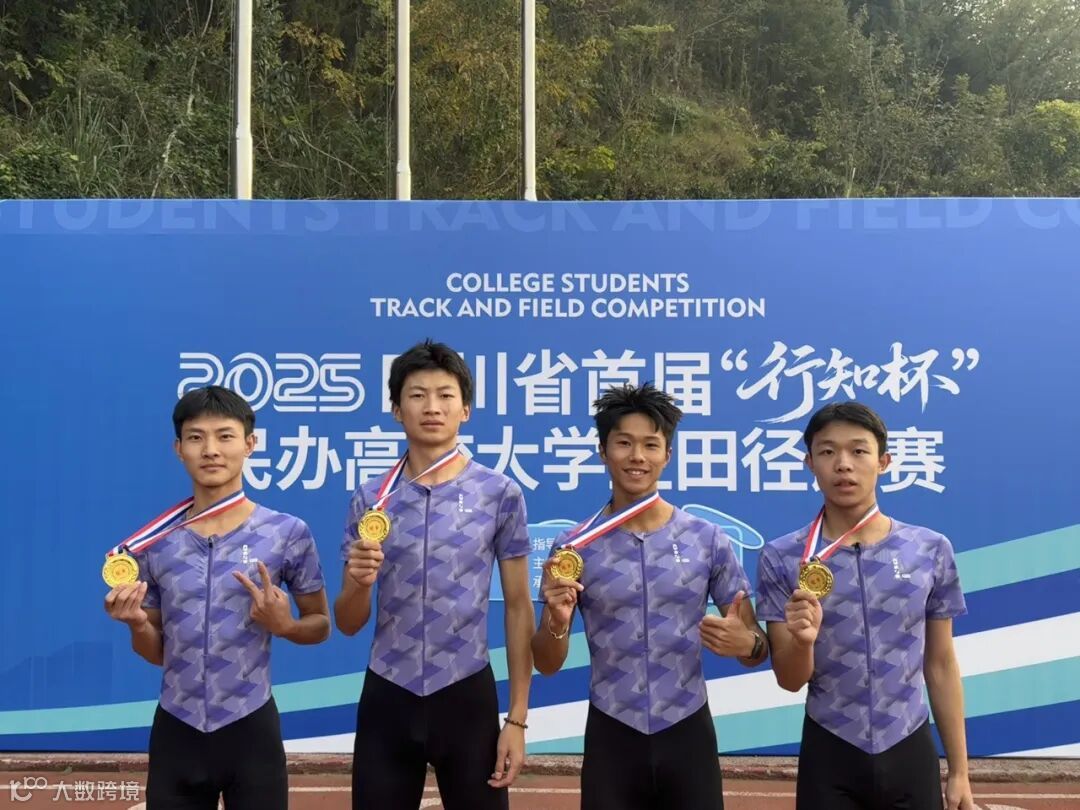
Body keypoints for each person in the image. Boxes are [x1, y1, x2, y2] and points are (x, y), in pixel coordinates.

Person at [531, 383, 769, 810]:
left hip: (687, 729)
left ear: (667, 455)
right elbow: (547, 664)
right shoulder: (573, 548)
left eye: (650, 445)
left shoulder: (707, 539)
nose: (637, 456)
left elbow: (757, 647)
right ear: (603, 451)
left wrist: (747, 643)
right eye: (624, 443)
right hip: (611, 732)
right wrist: (557, 620)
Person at [103, 385, 330, 810]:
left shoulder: (287, 533)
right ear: (179, 449)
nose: (210, 450)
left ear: (250, 444)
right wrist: (136, 623)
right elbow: (156, 653)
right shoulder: (156, 544)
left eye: (225, 436)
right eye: (196, 437)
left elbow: (320, 625)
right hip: (178, 728)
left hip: (251, 727)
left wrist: (285, 626)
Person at [335, 339, 535, 810]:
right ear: (396, 410)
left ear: (465, 410)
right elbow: (347, 621)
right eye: (417, 395)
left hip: (466, 691)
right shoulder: (372, 499)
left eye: (445, 395)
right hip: (389, 692)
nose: (432, 407)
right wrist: (360, 584)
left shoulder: (499, 494)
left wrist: (517, 718)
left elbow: (518, 606)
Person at [756, 401, 974, 810]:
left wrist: (960, 771)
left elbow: (941, 663)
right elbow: (789, 679)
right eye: (827, 451)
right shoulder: (783, 557)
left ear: (883, 462)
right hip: (830, 749)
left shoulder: (929, 549)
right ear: (809, 463)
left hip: (909, 745)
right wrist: (803, 642)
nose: (843, 464)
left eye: (858, 451)